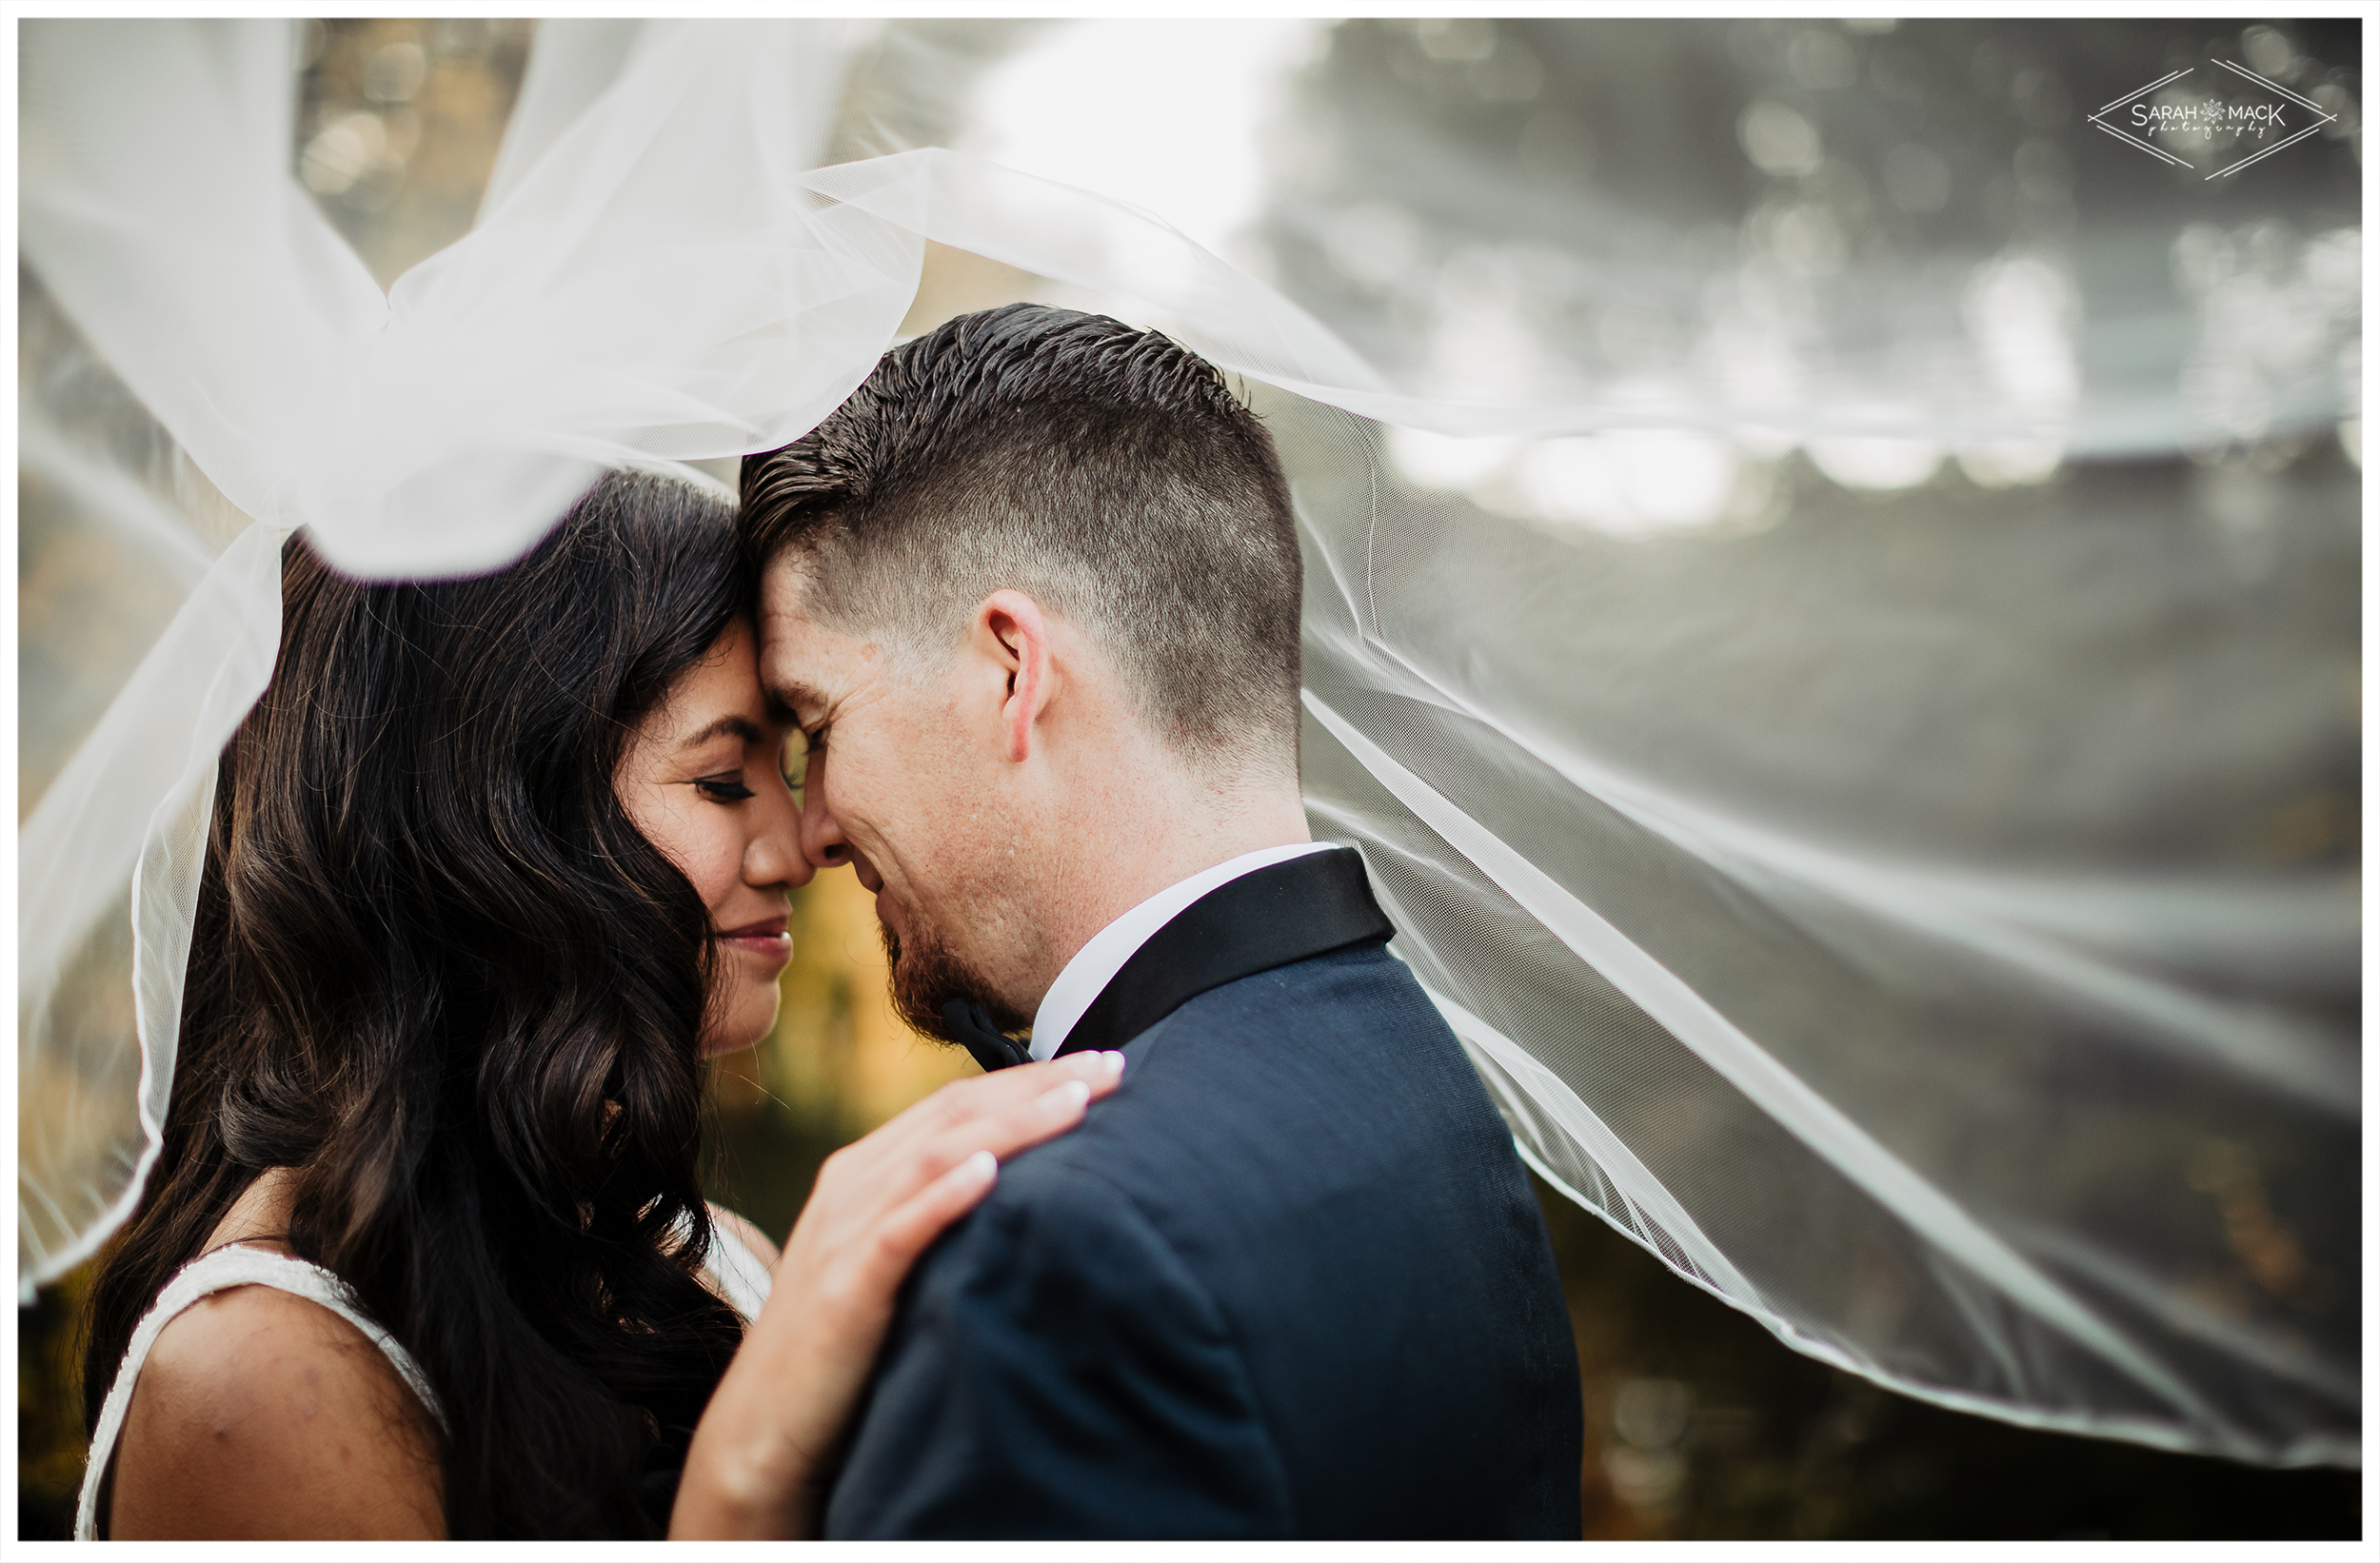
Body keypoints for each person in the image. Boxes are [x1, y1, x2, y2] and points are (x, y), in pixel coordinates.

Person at [73, 469, 1123, 1540]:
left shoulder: (721, 1261)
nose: (799, 845)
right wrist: (745, 1473)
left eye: (793, 761)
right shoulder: (257, 1375)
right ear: (496, 821)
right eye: (723, 781)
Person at [738, 303, 1586, 1538]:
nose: (812, 830)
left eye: (821, 727)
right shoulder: (1419, 1078)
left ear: (1012, 672)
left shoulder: (1059, 1257)